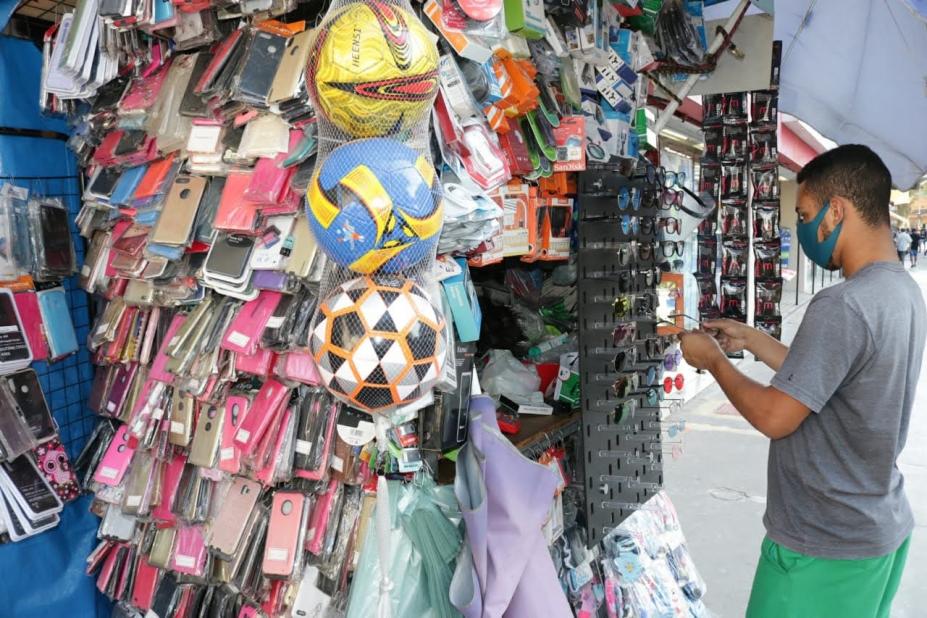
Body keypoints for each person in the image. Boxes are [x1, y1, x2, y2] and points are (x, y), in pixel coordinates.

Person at [679, 145, 923, 618]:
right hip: (877, 533)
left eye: (806, 214)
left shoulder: (843, 305)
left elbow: (776, 416)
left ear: (837, 211)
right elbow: (833, 375)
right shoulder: (901, 290)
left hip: (822, 548)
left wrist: (714, 362)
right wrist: (751, 339)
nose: (803, 227)